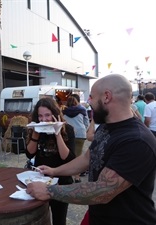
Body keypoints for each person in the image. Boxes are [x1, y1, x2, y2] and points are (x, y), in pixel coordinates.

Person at [26, 74, 156, 225]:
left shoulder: (136, 140)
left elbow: (102, 191)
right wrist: (54, 171)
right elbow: (87, 158)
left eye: (91, 97)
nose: (88, 102)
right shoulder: (106, 127)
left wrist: (49, 191)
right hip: (98, 216)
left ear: (106, 97)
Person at [26, 97, 75, 225]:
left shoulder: (68, 129)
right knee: (40, 218)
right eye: (40, 116)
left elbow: (68, 158)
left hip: (61, 183)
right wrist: (35, 136)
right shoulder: (36, 129)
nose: (44, 119)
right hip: (40, 181)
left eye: (47, 115)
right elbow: (29, 153)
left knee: (59, 220)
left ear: (55, 113)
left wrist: (57, 133)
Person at [63, 95, 89, 183]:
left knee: (70, 155)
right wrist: (83, 129)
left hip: (69, 134)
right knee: (78, 155)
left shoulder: (64, 112)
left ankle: (68, 174)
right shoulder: (82, 110)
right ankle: (77, 177)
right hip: (81, 134)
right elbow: (86, 122)